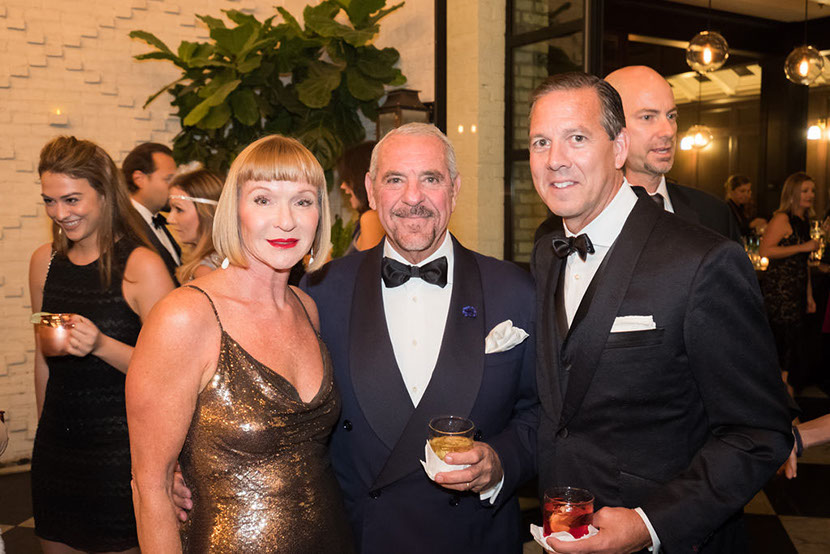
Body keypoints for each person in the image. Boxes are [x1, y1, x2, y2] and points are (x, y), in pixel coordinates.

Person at [528, 72, 792, 553]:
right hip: (563, 527)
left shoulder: (703, 260)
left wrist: (650, 525)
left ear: (619, 147)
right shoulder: (547, 250)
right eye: (540, 142)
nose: (554, 159)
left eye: (577, 138)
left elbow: (758, 432)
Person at [301, 123, 537, 553]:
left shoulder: (515, 290)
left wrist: (501, 461)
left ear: (455, 189)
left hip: (476, 538)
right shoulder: (320, 292)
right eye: (395, 180)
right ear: (371, 191)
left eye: (430, 178)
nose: (413, 198)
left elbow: (542, 415)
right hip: (362, 538)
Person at [126, 135, 353, 553]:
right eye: (263, 199)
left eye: (303, 201)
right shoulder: (186, 317)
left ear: (320, 213)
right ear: (234, 210)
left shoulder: (306, 308)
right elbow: (150, 486)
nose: (286, 220)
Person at [29, 136, 175, 553]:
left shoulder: (141, 267)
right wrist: (44, 436)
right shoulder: (44, 262)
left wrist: (100, 344)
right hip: (58, 449)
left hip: (123, 454)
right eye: (50, 201)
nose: (60, 213)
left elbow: (173, 374)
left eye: (72, 200)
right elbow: (43, 358)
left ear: (105, 193)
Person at [759, 172, 819, 391]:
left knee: (794, 340)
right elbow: (765, 250)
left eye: (812, 191)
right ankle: (780, 391)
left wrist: (809, 295)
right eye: (805, 191)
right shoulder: (782, 219)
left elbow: (804, 263)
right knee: (783, 339)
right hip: (780, 288)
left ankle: (786, 390)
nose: (810, 195)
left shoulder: (804, 221)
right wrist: (803, 247)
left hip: (797, 288)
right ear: (792, 194)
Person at [122, 142, 181, 281]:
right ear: (139, 179)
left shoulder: (158, 219)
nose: (175, 188)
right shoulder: (124, 226)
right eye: (168, 179)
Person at [166, 167, 224, 283]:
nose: (169, 219)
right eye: (171, 209)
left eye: (179, 209)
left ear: (207, 213)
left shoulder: (204, 272)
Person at [337, 141, 385, 253]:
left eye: (348, 180)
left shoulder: (371, 219)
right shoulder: (373, 218)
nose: (343, 186)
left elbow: (370, 264)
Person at [724, 174, 766, 239]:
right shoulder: (726, 208)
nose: (746, 195)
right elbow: (731, 233)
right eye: (742, 191)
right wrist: (750, 225)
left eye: (748, 191)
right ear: (731, 191)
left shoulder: (743, 207)